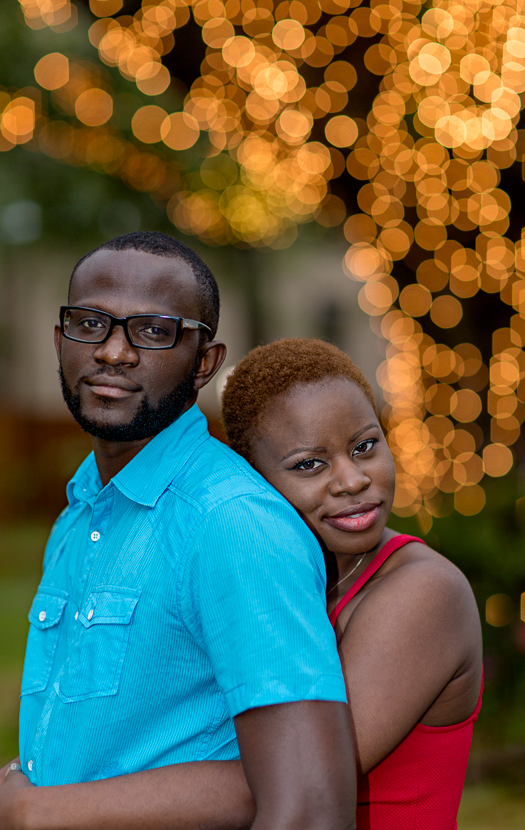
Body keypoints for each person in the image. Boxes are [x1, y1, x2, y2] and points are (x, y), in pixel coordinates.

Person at [0, 234, 357, 830]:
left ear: (206, 363)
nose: (113, 352)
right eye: (91, 323)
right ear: (60, 338)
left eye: (154, 331)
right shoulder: (80, 513)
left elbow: (311, 807)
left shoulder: (233, 522)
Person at [221, 338, 483, 830]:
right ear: (254, 482)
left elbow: (297, 784)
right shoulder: (279, 586)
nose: (352, 480)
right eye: (309, 464)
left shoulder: (425, 594)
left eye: (365, 447)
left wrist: (59, 807)